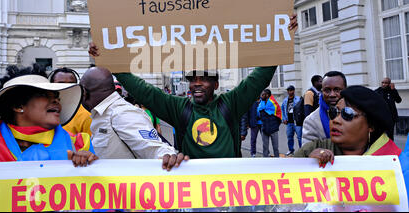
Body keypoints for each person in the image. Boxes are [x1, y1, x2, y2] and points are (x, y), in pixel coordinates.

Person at [87, 15, 298, 159]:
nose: (196, 83)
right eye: (192, 79)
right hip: (193, 195)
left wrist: (282, 37)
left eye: (204, 78)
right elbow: (144, 91)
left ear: (215, 84)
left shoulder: (231, 104)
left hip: (230, 192)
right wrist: (110, 60)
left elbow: (258, 78)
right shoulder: (180, 108)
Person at [0, 65, 98, 166]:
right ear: (18, 106)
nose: (56, 100)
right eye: (44, 95)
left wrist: (93, 166)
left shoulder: (80, 144)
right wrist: (55, 157)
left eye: (56, 96)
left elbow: (99, 200)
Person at [80, 66, 188, 171]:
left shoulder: (121, 113)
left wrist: (168, 157)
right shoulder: (102, 114)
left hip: (130, 188)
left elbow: (154, 149)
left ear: (84, 93)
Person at [295, 85, 402, 166]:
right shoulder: (312, 149)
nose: (335, 120)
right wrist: (307, 164)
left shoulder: (392, 161)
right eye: (334, 112)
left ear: (371, 126)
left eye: (347, 114)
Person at [302, 71, 347, 145]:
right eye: (327, 90)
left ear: (345, 90)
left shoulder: (357, 115)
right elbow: (308, 151)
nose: (332, 94)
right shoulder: (311, 121)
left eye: (337, 90)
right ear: (322, 92)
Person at [49, 67, 92, 136]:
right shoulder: (41, 111)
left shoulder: (85, 116)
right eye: (60, 84)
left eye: (71, 84)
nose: (66, 87)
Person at [258, 89, 282, 157]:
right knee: (265, 148)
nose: (261, 96)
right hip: (264, 129)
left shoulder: (274, 104)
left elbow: (279, 115)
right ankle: (265, 162)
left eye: (263, 94)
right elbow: (259, 115)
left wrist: (276, 125)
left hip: (273, 129)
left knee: (275, 148)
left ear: (267, 95)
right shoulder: (261, 103)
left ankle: (277, 161)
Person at [281, 85, 301, 156]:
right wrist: (283, 119)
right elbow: (282, 109)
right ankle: (291, 150)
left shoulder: (298, 99)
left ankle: (302, 150)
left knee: (299, 137)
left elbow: (301, 109)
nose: (290, 92)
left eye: (291, 90)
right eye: (288, 90)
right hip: (289, 122)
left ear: (294, 91)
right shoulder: (285, 100)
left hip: (297, 122)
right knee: (289, 137)